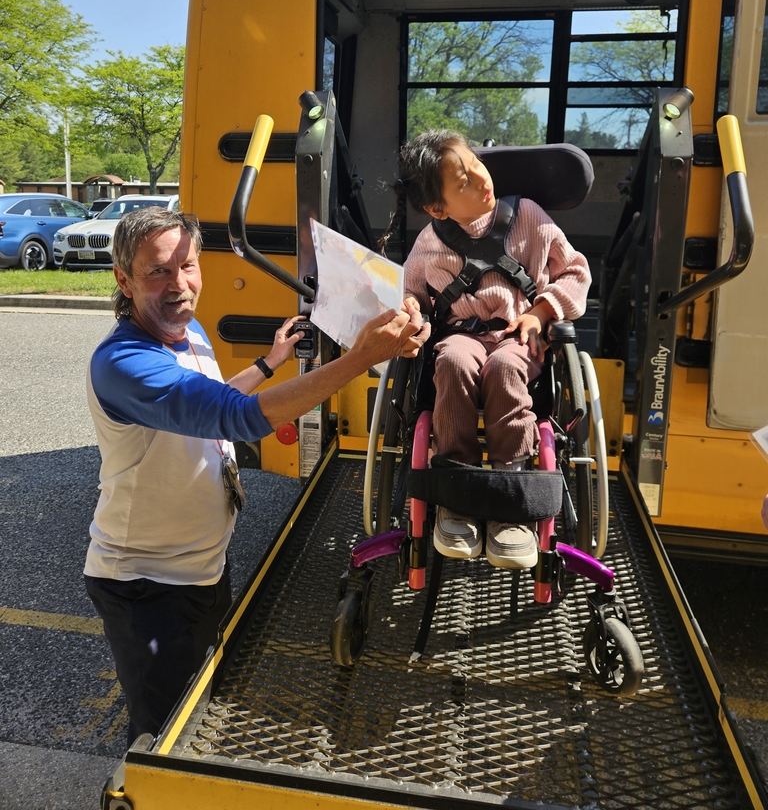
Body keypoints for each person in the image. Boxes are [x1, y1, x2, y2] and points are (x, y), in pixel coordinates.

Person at [84, 207, 426, 746]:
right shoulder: (124, 364)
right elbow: (235, 418)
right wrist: (360, 359)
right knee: (160, 734)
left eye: (188, 266)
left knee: (195, 703)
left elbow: (216, 398)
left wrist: (269, 363)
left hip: (200, 568)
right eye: (158, 272)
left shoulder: (187, 331)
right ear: (123, 280)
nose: (180, 285)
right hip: (146, 586)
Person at [383, 129, 590, 570]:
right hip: (461, 333)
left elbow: (574, 271)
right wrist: (412, 307)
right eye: (463, 182)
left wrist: (542, 311)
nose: (481, 178)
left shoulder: (528, 216)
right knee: (453, 359)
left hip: (520, 335)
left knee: (504, 368)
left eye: (475, 164)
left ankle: (509, 502)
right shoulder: (430, 240)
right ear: (437, 208)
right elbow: (413, 292)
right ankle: (457, 495)